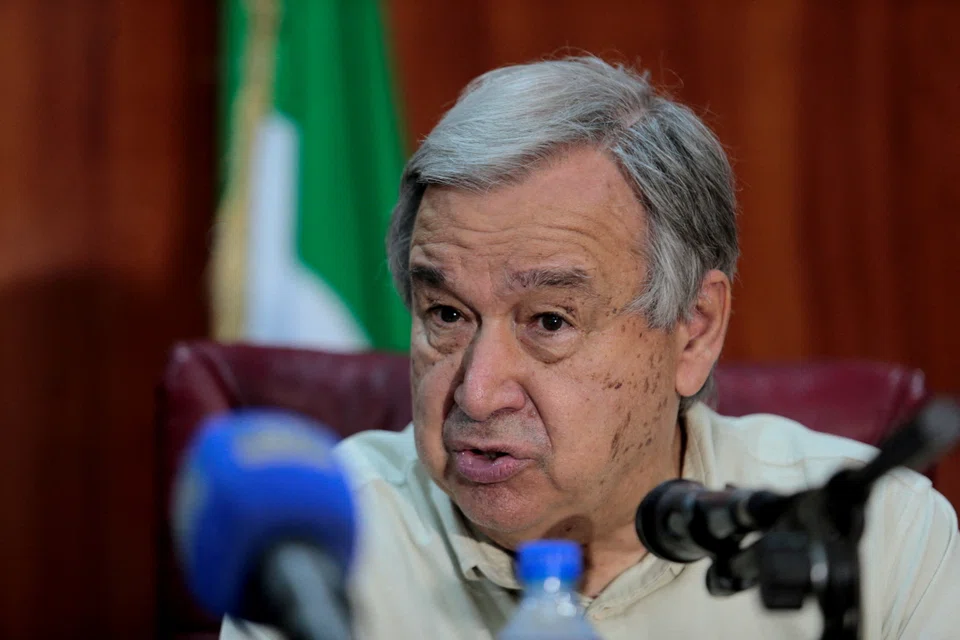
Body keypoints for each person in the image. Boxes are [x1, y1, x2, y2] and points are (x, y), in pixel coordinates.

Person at [222, 56, 959, 639]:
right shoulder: (317, 548)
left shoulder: (877, 537)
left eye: (549, 322)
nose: (477, 395)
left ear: (694, 329)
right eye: (446, 313)